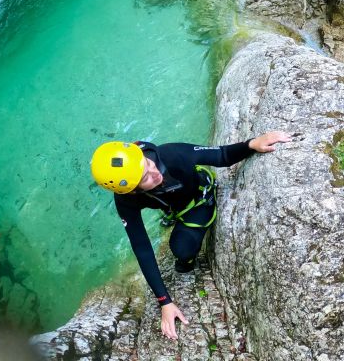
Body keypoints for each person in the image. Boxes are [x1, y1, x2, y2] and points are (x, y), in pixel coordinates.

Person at [90, 132, 291, 340]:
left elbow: (221, 155)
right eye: (145, 178)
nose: (155, 171)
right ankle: (171, 214)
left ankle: (186, 244)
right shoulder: (126, 200)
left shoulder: (172, 155)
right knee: (167, 206)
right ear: (131, 191)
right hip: (170, 203)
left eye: (147, 163)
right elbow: (141, 247)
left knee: (182, 252)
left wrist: (251, 144)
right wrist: (165, 302)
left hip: (198, 199)